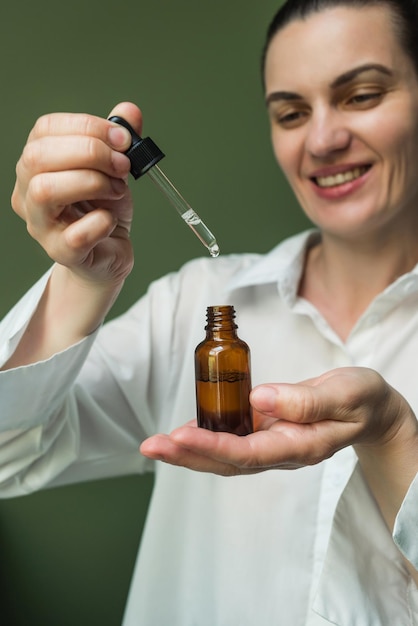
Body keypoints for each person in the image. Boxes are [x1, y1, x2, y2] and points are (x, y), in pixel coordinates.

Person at [1, 0, 418, 623]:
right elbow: (11, 453)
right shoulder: (194, 303)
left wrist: (391, 435)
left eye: (361, 95)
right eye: (291, 112)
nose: (324, 139)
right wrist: (83, 279)